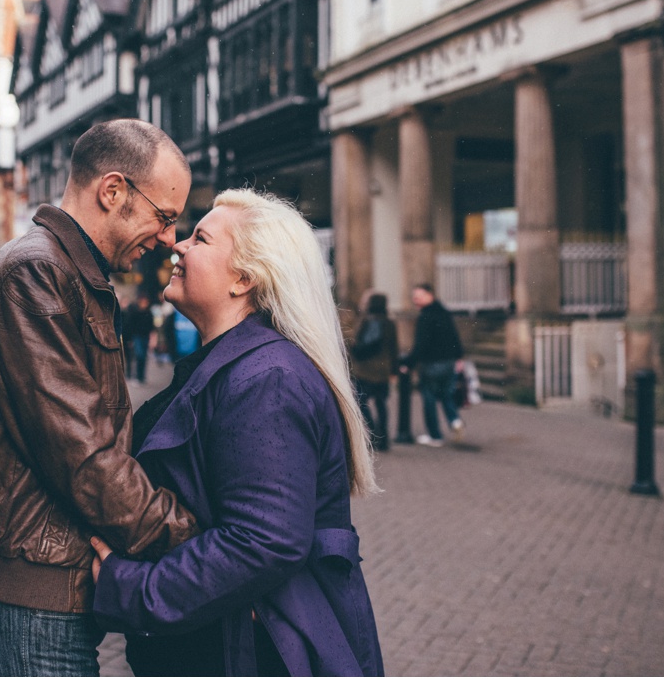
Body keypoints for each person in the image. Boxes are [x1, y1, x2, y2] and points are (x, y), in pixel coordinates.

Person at [0, 119, 199, 677]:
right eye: (165, 216)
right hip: (19, 606)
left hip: (34, 599)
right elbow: (83, 456)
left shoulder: (73, 276)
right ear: (113, 191)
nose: (169, 239)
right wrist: (194, 542)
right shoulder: (37, 273)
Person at [88, 189, 384, 677]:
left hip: (250, 652)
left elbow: (263, 540)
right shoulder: (242, 366)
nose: (178, 246)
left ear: (244, 279)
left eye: (201, 238)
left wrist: (132, 589)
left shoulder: (266, 378)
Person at [399, 283, 466, 446]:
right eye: (414, 297)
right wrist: (459, 357)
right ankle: (455, 421)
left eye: (419, 296)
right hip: (448, 362)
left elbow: (421, 344)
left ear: (430, 295)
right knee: (446, 395)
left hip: (431, 364)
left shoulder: (425, 317)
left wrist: (409, 363)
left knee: (429, 398)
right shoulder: (444, 313)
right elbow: (454, 337)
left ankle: (435, 436)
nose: (415, 300)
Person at [349, 290, 399, 452]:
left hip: (364, 370)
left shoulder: (365, 320)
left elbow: (356, 343)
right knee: (381, 403)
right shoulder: (389, 323)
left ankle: (372, 434)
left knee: (361, 402)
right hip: (383, 371)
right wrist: (394, 370)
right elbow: (394, 349)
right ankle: (384, 440)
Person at [122, 295, 155, 383]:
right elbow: (130, 326)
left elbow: (152, 327)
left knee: (143, 356)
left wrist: (153, 339)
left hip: (145, 337)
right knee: (139, 355)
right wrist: (130, 338)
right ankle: (137, 375)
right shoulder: (135, 312)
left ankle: (141, 376)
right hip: (137, 337)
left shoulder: (149, 313)